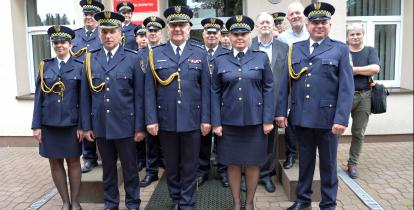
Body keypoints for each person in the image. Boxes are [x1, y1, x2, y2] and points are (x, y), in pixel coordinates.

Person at [276, 2, 354, 210]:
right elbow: (285, 83)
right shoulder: (295, 49)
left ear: (329, 25)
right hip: (301, 117)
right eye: (315, 22)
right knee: (306, 163)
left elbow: (346, 88)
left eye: (323, 22)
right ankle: (303, 201)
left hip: (328, 120)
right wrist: (281, 111)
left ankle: (328, 204)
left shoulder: (339, 49)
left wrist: (341, 119)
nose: (319, 26)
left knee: (328, 165)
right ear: (308, 24)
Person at [145, 6, 211, 210]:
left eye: (181, 25)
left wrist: (206, 119)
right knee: (172, 165)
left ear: (189, 28)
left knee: (190, 165)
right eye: (173, 25)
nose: (177, 29)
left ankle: (187, 201)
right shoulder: (155, 54)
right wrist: (151, 119)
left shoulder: (199, 53)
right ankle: (175, 198)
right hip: (166, 120)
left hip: (192, 119)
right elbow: (149, 91)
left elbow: (207, 90)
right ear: (168, 29)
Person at [80, 11, 145, 210]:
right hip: (101, 125)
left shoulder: (132, 59)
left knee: (130, 168)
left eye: (112, 32)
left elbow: (140, 96)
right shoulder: (90, 59)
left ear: (120, 34)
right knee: (107, 169)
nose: (108, 36)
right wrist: (86, 126)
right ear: (100, 34)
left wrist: (139, 127)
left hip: (126, 125)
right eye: (105, 32)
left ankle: (133, 203)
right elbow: (85, 97)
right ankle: (111, 203)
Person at [212, 15, 274, 210]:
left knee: (253, 163)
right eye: (235, 34)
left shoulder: (261, 57)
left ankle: (249, 203)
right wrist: (216, 122)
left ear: (250, 35)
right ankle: (237, 203)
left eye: (244, 34)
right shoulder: (220, 60)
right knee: (232, 163)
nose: (240, 37)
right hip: (229, 122)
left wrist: (267, 119)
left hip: (255, 122)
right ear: (229, 36)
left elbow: (269, 88)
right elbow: (214, 92)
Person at [31, 25, 84, 210]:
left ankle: (75, 201)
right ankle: (65, 201)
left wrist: (82, 126)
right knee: (54, 161)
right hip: (49, 123)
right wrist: (36, 126)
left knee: (74, 160)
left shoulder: (80, 67)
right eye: (56, 42)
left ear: (70, 44)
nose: (59, 45)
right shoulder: (45, 66)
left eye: (63, 42)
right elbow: (39, 97)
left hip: (72, 123)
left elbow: (84, 99)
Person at [251, 12, 289, 193]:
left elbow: (287, 79)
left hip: (274, 102)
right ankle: (247, 175)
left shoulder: (284, 48)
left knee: (269, 142)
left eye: (268, 22)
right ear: (257, 26)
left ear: (273, 25)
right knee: (249, 140)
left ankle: (265, 175)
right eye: (262, 22)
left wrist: (284, 107)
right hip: (250, 102)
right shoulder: (248, 45)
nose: (265, 24)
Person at [196, 17, 230, 188]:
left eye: (214, 32)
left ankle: (223, 171)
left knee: (222, 139)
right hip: (201, 104)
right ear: (203, 34)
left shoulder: (226, 54)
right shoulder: (196, 53)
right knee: (202, 139)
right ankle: (202, 170)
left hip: (222, 105)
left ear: (219, 35)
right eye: (208, 32)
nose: (211, 35)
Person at [71, 0, 105, 173]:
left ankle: (105, 155)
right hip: (78, 84)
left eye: (92, 15)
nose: (88, 18)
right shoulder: (75, 36)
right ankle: (89, 157)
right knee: (85, 119)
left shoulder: (104, 34)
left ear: (97, 18)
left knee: (100, 117)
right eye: (86, 14)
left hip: (98, 83)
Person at [277, 2, 310, 170]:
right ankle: (291, 154)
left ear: (304, 15)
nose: (296, 16)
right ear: (288, 18)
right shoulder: (283, 38)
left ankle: (306, 155)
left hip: (310, 85)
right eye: (292, 14)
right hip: (291, 84)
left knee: (308, 123)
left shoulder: (311, 33)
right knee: (291, 121)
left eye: (298, 13)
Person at [346, 23, 380, 179]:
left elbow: (375, 69)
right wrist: (363, 70)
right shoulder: (343, 51)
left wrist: (353, 70)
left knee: (358, 132)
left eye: (358, 34)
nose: (355, 37)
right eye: (352, 34)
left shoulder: (369, 51)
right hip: (344, 96)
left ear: (363, 34)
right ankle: (329, 162)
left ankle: (352, 163)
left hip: (364, 95)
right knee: (334, 129)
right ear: (348, 36)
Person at [139, 15, 166, 188]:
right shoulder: (138, 54)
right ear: (146, 33)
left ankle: (166, 165)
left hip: (165, 102)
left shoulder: (166, 51)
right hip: (145, 102)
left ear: (161, 33)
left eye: (156, 31)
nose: (153, 34)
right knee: (150, 140)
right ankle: (151, 171)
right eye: (150, 31)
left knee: (167, 138)